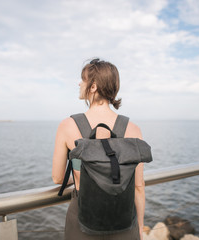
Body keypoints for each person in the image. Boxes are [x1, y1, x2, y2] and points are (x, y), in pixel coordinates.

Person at [52, 58, 146, 240]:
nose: (79, 83)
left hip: (83, 221)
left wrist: (84, 175)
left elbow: (57, 178)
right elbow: (139, 186)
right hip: (124, 222)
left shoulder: (68, 125)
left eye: (83, 79)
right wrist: (140, 227)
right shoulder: (133, 129)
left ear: (93, 86)